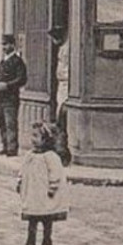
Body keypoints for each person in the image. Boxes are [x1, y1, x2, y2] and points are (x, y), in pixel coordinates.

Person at [17, 124, 69, 245]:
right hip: (33, 192)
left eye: (36, 136)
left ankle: (47, 240)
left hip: (45, 193)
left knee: (46, 218)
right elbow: (23, 170)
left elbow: (55, 173)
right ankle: (31, 239)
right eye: (32, 136)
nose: (33, 139)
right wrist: (20, 181)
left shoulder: (50, 157)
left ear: (45, 139)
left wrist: (53, 187)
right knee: (32, 218)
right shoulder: (29, 155)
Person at [0, 33, 28, 157]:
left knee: (10, 124)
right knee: (2, 124)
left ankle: (12, 149)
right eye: (3, 44)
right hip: (0, 99)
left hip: (11, 99)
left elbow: (22, 79)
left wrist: (7, 85)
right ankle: (5, 146)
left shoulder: (18, 62)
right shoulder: (3, 61)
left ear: (13, 45)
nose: (4, 47)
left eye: (6, 44)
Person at [48, 25, 73, 168]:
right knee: (60, 122)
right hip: (62, 86)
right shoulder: (63, 47)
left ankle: (63, 153)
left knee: (62, 121)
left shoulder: (67, 48)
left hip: (67, 87)